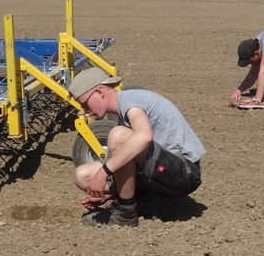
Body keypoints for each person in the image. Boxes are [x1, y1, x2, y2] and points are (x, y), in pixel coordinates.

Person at [69, 67, 205, 227]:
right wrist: (109, 193)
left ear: (99, 92)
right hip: (163, 171)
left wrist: (103, 173)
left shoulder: (128, 99)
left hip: (185, 173)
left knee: (118, 136)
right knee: (82, 175)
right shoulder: (123, 109)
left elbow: (144, 137)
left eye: (85, 104)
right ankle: (145, 202)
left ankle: (126, 214)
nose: (85, 111)